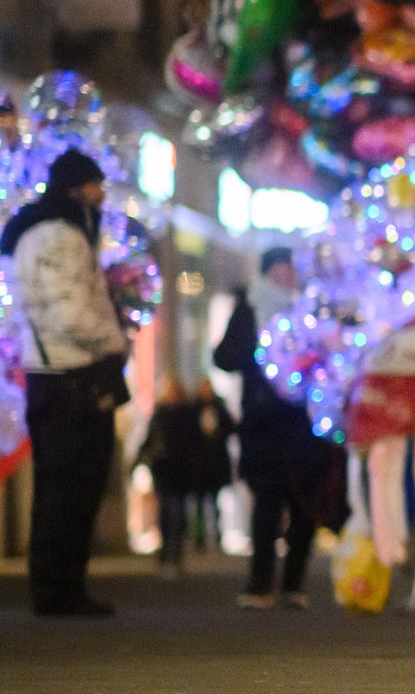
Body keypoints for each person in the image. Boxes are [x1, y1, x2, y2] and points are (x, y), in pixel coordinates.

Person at [1, 148, 130, 618]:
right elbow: (69, 312)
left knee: (58, 486)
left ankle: (58, 587)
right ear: (77, 187)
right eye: (96, 184)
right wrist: (112, 342)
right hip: (70, 375)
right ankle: (60, 589)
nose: (102, 194)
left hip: (51, 374)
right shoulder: (59, 235)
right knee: (72, 487)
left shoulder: (47, 231)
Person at [214, 246, 338, 609]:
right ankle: (259, 583)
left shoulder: (313, 310)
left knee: (304, 505)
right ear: (266, 274)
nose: (286, 277)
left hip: (306, 421)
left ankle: (294, 583)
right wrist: (264, 351)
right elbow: (224, 357)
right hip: (264, 423)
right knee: (266, 505)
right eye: (279, 271)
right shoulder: (250, 309)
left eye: (291, 270)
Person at [138, 377, 203, 577]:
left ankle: (175, 551)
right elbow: (150, 439)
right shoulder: (161, 414)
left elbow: (195, 442)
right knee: (166, 511)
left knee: (177, 511)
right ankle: (167, 549)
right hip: (164, 470)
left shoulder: (188, 414)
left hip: (180, 470)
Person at [190, 379, 238, 552]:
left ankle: (217, 535)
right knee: (200, 505)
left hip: (215, 463)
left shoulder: (219, 406)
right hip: (199, 464)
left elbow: (231, 427)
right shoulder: (193, 409)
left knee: (216, 503)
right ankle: (199, 538)